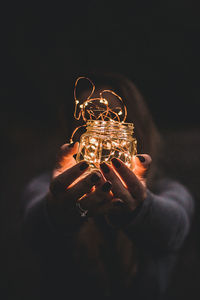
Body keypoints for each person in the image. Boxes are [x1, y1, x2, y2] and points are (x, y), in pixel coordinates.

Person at [22, 73, 194, 300]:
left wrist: (142, 209)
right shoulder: (48, 186)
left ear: (137, 128)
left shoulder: (168, 189)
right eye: (88, 120)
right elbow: (34, 226)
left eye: (113, 116)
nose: (101, 126)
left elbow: (175, 226)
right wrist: (56, 212)